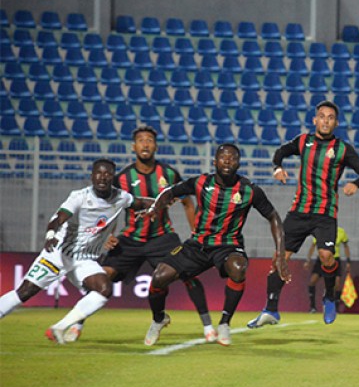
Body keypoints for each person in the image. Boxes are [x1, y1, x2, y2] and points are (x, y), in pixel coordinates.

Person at [65, 126, 214, 343]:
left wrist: (196, 234)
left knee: (188, 275)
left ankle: (208, 327)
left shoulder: (169, 174)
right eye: (141, 140)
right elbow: (111, 210)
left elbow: (188, 203)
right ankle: (77, 324)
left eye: (150, 140)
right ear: (133, 147)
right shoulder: (123, 178)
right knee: (103, 276)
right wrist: (106, 236)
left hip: (163, 238)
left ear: (156, 146)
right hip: (130, 240)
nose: (145, 144)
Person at [142, 144, 287, 346]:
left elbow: (273, 217)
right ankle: (159, 319)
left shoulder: (249, 190)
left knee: (238, 268)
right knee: (159, 277)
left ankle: (225, 323)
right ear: (214, 162)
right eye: (223, 157)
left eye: (232, 158)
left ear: (239, 163)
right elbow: (171, 191)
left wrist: (280, 254)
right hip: (197, 245)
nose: (227, 160)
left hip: (228, 245)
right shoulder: (200, 182)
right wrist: (155, 207)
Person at [248, 100, 359, 327]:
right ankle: (271, 309)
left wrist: (356, 183)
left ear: (336, 123)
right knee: (279, 259)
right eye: (322, 116)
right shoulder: (303, 141)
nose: (325, 121)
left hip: (325, 213)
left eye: (330, 118)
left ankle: (329, 297)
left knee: (326, 256)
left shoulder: (342, 149)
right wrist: (277, 168)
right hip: (299, 211)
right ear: (315, 120)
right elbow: (280, 152)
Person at [0, 159, 149, 344]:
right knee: (25, 292)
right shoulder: (79, 197)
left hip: (85, 259)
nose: (102, 177)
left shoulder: (122, 197)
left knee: (104, 289)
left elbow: (140, 203)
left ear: (113, 177)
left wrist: (164, 200)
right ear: (92, 176)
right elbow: (59, 217)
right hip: (58, 254)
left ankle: (60, 327)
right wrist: (50, 234)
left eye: (107, 174)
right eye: (98, 173)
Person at [304, 227, 351, 313]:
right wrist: (308, 260)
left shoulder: (340, 231)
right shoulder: (320, 231)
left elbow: (346, 246)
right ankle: (312, 307)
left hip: (335, 260)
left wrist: (348, 261)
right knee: (312, 281)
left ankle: (335, 308)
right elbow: (313, 246)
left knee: (337, 284)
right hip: (321, 260)